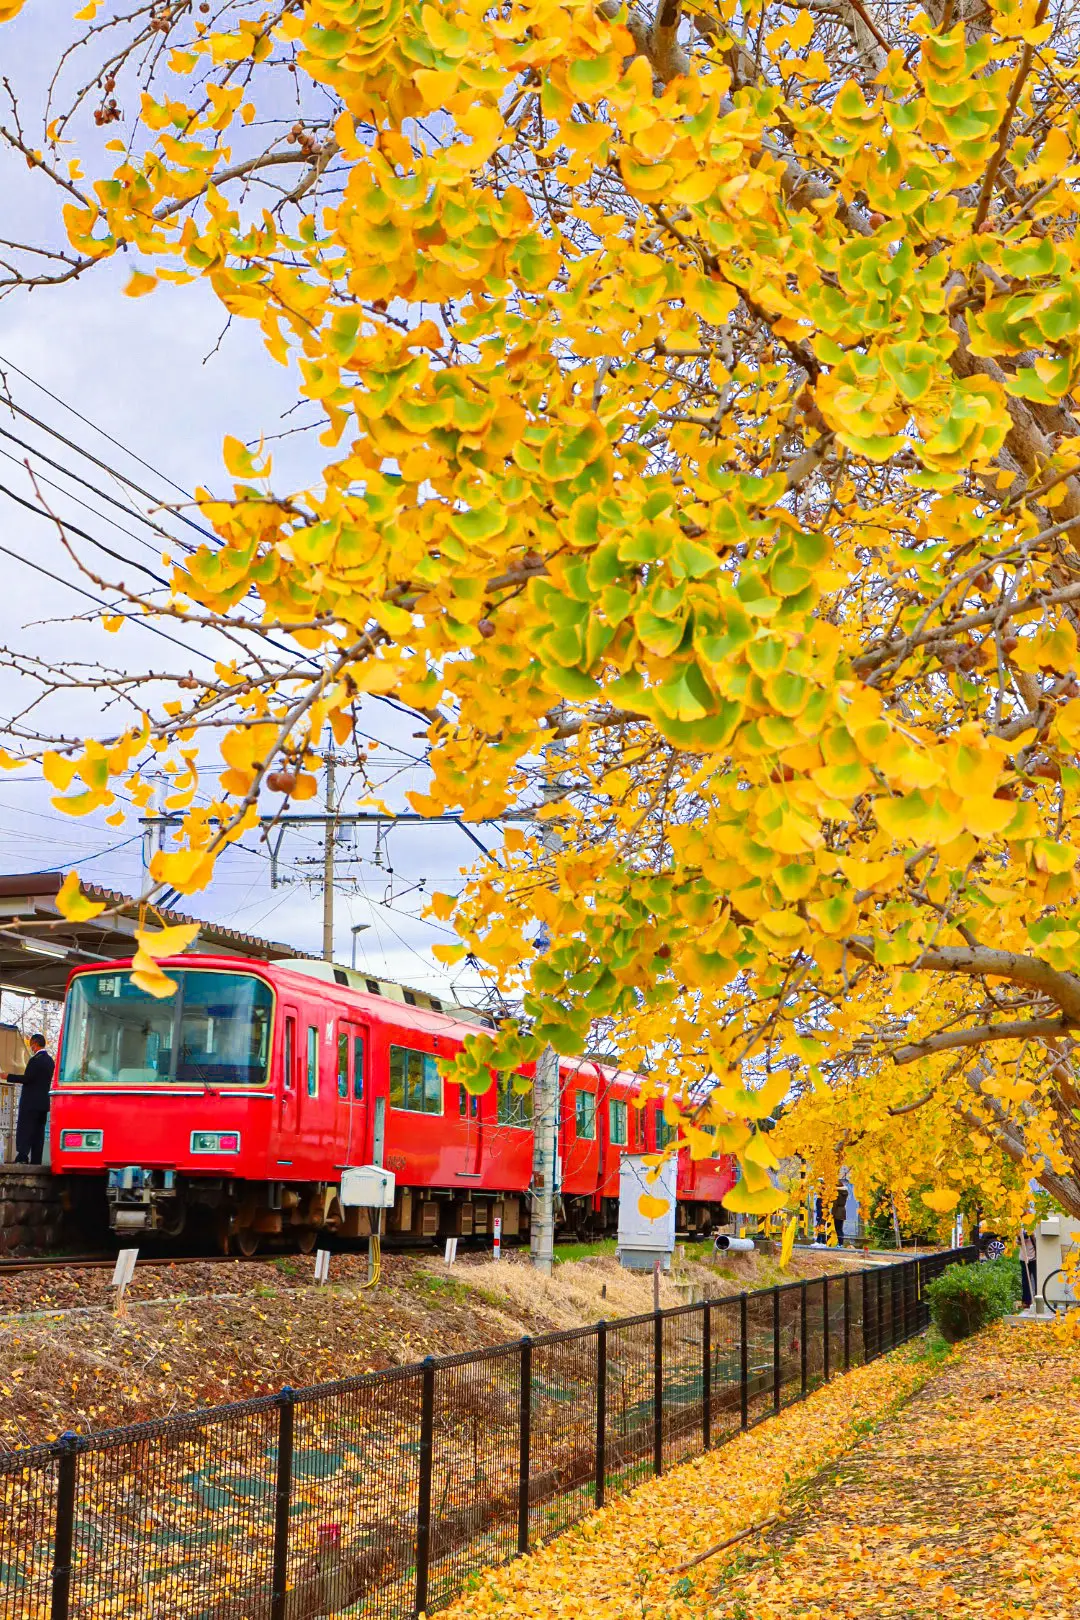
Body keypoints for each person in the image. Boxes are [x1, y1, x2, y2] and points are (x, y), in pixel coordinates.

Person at [5, 1034, 54, 1165]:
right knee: (39, 1133)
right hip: (43, 1104)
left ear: (35, 1043)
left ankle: (22, 1156)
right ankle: (36, 1160)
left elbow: (28, 1078)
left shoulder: (35, 1060)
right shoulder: (50, 1061)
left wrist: (8, 1076)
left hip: (30, 1103)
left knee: (25, 1129)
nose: (31, 1047)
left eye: (32, 1044)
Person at [1019, 1228, 1037, 1309]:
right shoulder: (1020, 1229)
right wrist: (1021, 1237)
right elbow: (1018, 1242)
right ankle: (1027, 1301)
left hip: (1034, 1259)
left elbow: (1038, 1244)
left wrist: (1032, 1235)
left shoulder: (1035, 1230)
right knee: (1025, 1281)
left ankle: (1038, 1299)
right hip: (1023, 1258)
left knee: (1037, 1280)